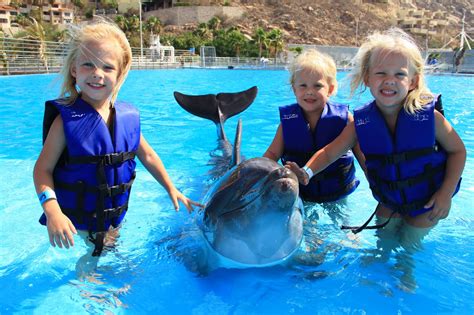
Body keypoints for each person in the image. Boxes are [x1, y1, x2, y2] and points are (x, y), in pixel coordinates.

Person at [33, 21, 201, 258]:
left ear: (120, 73)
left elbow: (148, 155)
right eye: (88, 65)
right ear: (74, 70)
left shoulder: (126, 118)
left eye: (107, 67)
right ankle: (89, 284)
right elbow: (42, 169)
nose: (97, 74)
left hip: (112, 215)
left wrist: (171, 188)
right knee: (93, 258)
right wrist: (52, 211)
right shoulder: (65, 122)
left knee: (110, 248)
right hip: (78, 222)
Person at [286, 28, 465, 240]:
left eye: (399, 74)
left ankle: (406, 273)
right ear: (367, 78)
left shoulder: (430, 119)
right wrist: (306, 172)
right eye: (381, 73)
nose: (389, 80)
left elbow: (458, 151)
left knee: (409, 243)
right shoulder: (361, 123)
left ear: (413, 81)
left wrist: (445, 193)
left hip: (429, 199)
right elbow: (329, 153)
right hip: (390, 201)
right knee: (384, 241)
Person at [264, 49, 364, 205]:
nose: (309, 92)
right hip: (302, 194)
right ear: (294, 89)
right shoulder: (287, 124)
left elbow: (364, 158)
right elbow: (272, 153)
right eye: (303, 86)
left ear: (330, 89)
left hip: (338, 192)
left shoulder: (345, 120)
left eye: (317, 86)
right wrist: (258, 176)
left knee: (341, 227)